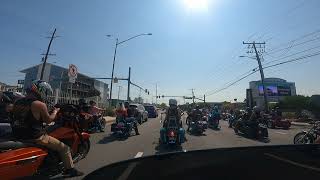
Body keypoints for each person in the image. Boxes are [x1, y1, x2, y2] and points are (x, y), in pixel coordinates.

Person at [11, 80, 83, 177]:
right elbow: (49, 120)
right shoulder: (39, 104)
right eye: (46, 92)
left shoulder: (18, 101)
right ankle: (70, 170)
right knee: (65, 148)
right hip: (35, 137)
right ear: (41, 91)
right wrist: (55, 112)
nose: (46, 95)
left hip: (17, 133)